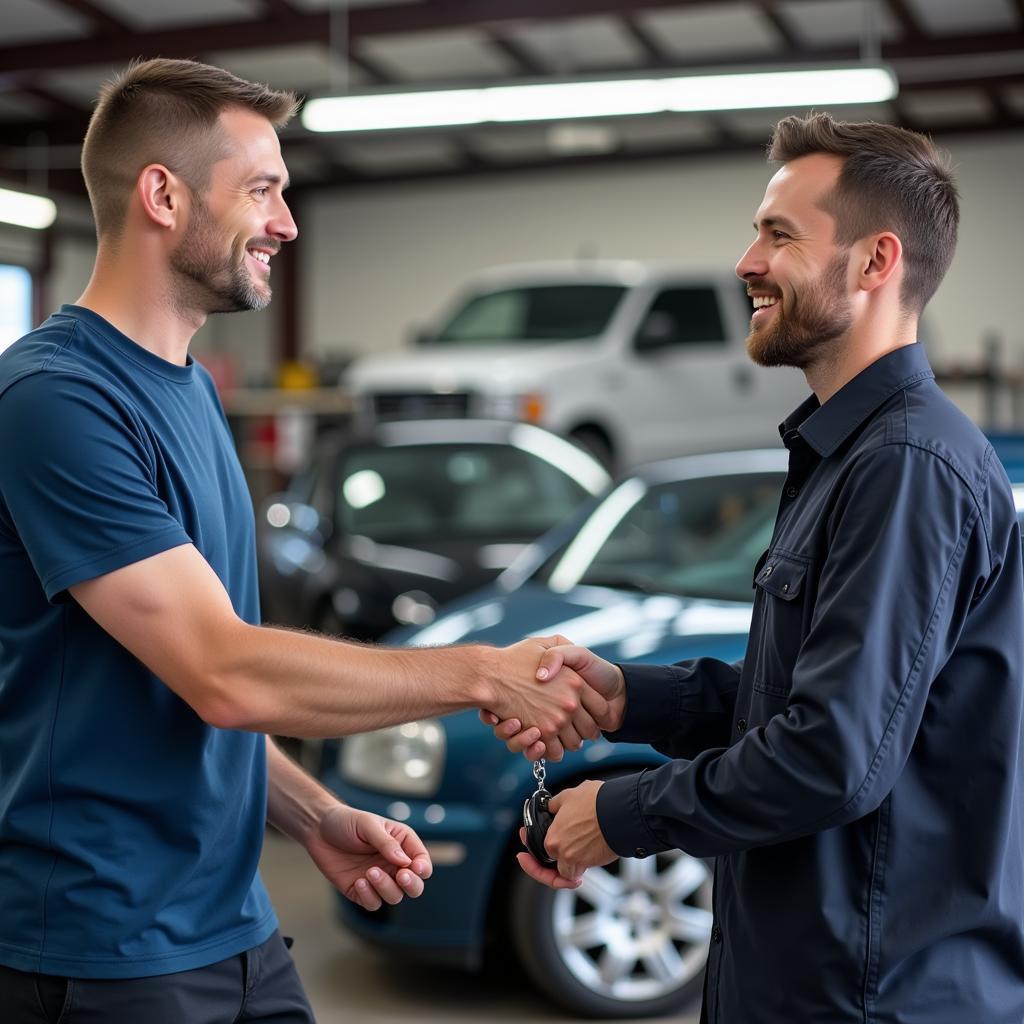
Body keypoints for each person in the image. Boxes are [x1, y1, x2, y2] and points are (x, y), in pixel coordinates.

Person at [0, 59, 598, 1023]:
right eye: (263, 190)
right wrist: (485, 673)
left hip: (231, 923)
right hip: (103, 950)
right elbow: (223, 670)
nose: (284, 222)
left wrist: (311, 812)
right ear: (163, 194)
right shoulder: (56, 400)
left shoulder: (189, 388)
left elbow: (174, 689)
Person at [493, 113, 1024, 1023]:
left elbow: (834, 754)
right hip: (810, 977)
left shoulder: (905, 466)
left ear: (874, 262)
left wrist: (620, 817)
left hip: (868, 994)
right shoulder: (851, 454)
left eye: (779, 234)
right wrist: (631, 697)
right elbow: (818, 698)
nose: (746, 262)